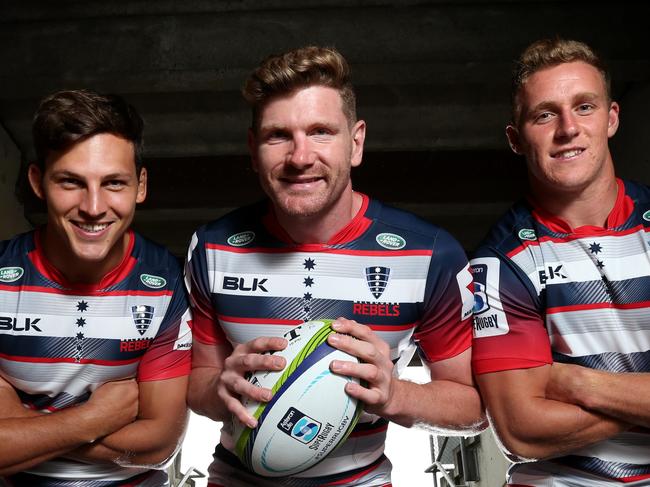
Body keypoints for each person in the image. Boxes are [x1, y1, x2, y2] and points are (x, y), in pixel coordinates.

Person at [185, 45, 485, 487]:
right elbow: (198, 385)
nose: (300, 157)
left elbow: (472, 409)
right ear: (253, 149)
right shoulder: (212, 247)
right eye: (277, 136)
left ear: (356, 141)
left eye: (321, 131)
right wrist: (219, 389)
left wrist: (396, 394)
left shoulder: (430, 254)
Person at [471, 38, 650, 486]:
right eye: (545, 114)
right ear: (516, 139)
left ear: (611, 118)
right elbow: (521, 431)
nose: (568, 128)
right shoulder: (498, 263)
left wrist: (573, 383)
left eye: (585, 107)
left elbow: (543, 408)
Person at [0, 89, 192, 486]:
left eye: (114, 184)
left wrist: (25, 429)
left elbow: (158, 444)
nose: (93, 206)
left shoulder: (166, 282)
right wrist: (92, 419)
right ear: (38, 181)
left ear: (140, 185)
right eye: (70, 182)